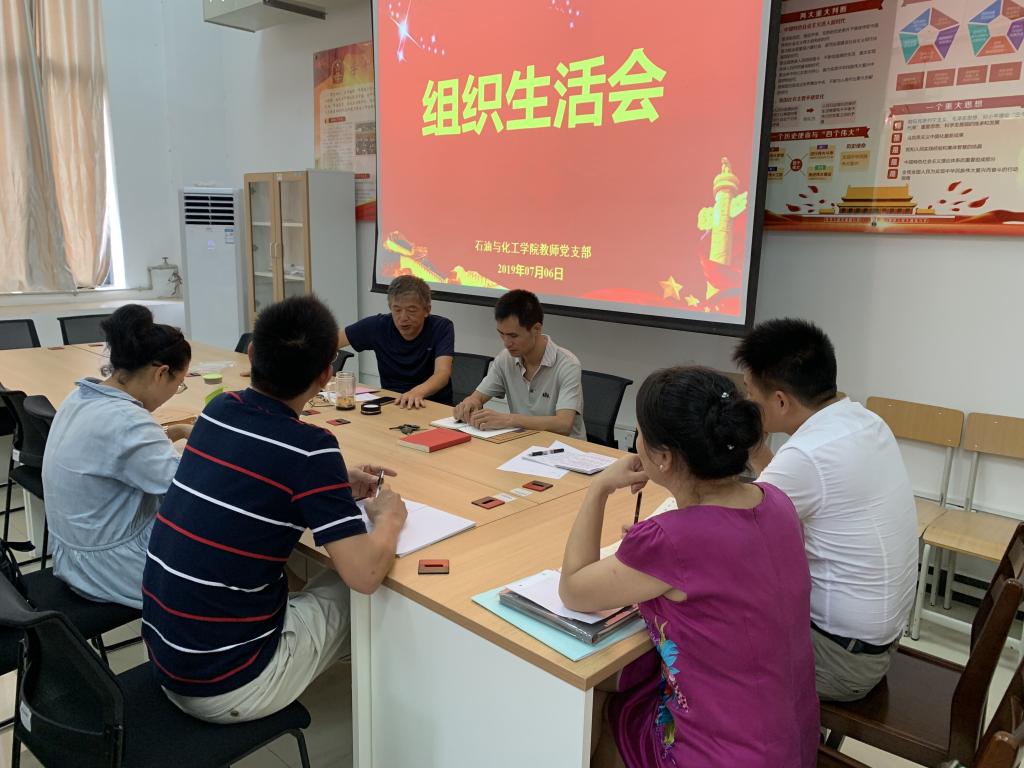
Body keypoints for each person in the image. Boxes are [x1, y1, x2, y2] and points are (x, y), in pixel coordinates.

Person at [142, 295, 408, 723]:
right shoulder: (311, 448)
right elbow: (365, 574)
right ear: (326, 375)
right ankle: (396, 723)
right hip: (227, 685)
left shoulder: (218, 410)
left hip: (169, 657)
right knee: (373, 585)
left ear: (251, 354)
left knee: (323, 574)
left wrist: (331, 483)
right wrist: (389, 519)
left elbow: (255, 473)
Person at [559, 367, 818, 767]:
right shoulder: (776, 500)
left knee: (610, 707)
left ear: (663, 457)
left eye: (640, 433)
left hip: (726, 755)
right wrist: (653, 547)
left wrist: (599, 488)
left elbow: (573, 589)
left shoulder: (670, 540)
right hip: (791, 741)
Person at [734, 318, 918, 702]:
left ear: (780, 401)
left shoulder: (808, 454)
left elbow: (734, 532)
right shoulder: (864, 421)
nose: (746, 403)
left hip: (841, 662)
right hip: (874, 643)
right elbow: (785, 492)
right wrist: (756, 448)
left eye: (750, 392)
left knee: (695, 639)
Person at [42, 305, 192, 609]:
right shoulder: (128, 422)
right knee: (233, 537)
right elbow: (188, 491)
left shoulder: (80, 396)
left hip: (73, 554)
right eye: (178, 384)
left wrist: (175, 432)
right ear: (161, 373)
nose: (175, 391)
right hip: (109, 570)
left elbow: (123, 454)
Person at [453, 289, 585, 439]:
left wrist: (508, 420)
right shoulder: (505, 358)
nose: (506, 343)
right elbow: (478, 397)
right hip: (523, 442)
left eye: (513, 336)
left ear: (536, 329)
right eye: (501, 334)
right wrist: (469, 403)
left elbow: (563, 425)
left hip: (565, 447)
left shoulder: (568, 364)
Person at [339, 275, 454, 408]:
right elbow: (330, 342)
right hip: (393, 403)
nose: (403, 317)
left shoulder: (441, 327)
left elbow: (442, 373)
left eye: (411, 310)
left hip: (432, 404)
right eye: (397, 310)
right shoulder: (378, 326)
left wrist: (416, 393)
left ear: (427, 310)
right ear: (390, 307)